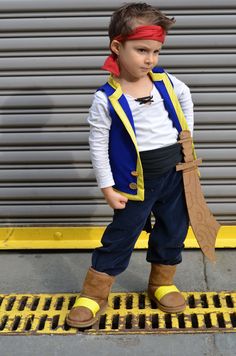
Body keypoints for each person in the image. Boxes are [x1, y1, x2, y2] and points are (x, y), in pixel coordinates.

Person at [66, 2, 194, 328]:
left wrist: (186, 142)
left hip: (174, 175)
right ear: (116, 47)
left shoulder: (166, 83)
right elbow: (97, 144)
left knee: (173, 230)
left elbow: (185, 99)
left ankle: (161, 282)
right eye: (141, 50)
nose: (150, 59)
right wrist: (108, 187)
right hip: (134, 181)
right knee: (122, 235)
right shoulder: (106, 99)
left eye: (156, 51)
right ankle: (94, 294)